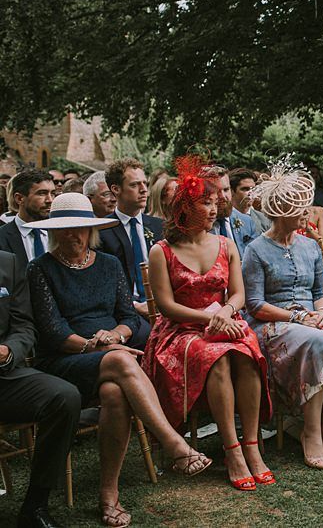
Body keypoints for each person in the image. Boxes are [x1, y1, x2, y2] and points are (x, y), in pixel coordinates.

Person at [25, 193, 211, 527]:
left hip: (110, 352)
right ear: (54, 232)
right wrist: (93, 346)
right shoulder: (40, 269)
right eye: (65, 229)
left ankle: (108, 496)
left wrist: (115, 337)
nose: (72, 235)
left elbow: (129, 317)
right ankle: (173, 444)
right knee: (123, 363)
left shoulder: (109, 264)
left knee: (114, 391)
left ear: (91, 230)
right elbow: (54, 333)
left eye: (79, 228)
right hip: (63, 363)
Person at [143, 158, 274, 490]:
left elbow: (239, 294)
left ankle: (252, 446)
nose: (214, 209)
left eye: (215, 202)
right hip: (181, 329)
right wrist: (210, 318)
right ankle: (232, 452)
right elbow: (167, 307)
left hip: (225, 318)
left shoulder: (226, 244)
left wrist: (226, 313)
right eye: (205, 202)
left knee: (247, 353)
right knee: (214, 357)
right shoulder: (162, 251)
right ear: (185, 207)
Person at [243, 159, 323, 469]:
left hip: (313, 319)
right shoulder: (256, 250)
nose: (307, 214)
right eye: (300, 209)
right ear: (282, 213)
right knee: (317, 343)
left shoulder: (311, 246)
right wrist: (299, 318)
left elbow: (321, 292)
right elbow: (255, 305)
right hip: (272, 323)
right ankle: (310, 432)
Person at [1, 249, 81, 528]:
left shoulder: (7, 262)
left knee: (64, 397)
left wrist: (8, 351)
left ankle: (35, 506)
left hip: (4, 374)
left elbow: (23, 325)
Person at [99, 158, 163, 320]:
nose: (143, 190)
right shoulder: (102, 230)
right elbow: (103, 283)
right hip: (125, 312)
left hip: (164, 306)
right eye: (134, 185)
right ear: (116, 189)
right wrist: (134, 306)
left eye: (145, 183)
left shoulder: (160, 227)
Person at [0, 169, 55, 270]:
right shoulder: (2, 237)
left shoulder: (58, 233)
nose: (50, 200)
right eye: (42, 193)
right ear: (19, 198)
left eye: (52, 193)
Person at [201, 165, 258, 261]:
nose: (223, 196)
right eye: (216, 191)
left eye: (226, 190)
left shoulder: (248, 222)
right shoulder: (197, 226)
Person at [230, 168, 271, 234]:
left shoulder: (265, 220)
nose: (250, 193)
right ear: (232, 191)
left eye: (253, 189)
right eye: (245, 189)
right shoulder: (224, 219)